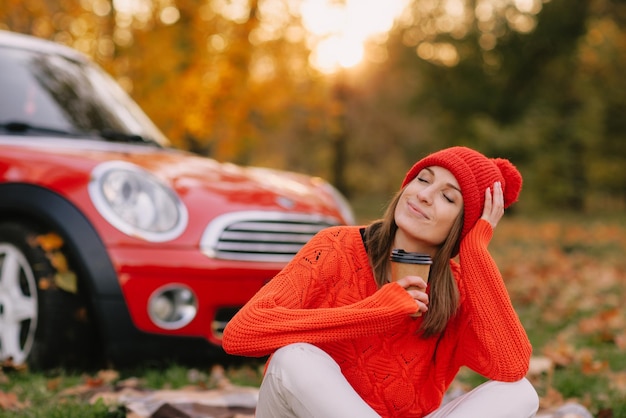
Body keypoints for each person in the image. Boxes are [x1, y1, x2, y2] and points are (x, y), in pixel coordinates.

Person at [222, 146, 539, 418]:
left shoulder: (456, 290)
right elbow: (240, 334)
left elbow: (512, 366)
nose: (424, 195)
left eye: (447, 197)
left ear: (463, 225)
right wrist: (374, 311)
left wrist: (474, 248)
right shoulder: (336, 246)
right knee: (294, 357)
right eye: (423, 179)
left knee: (520, 392)